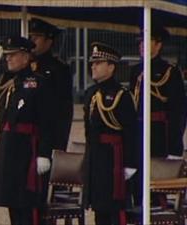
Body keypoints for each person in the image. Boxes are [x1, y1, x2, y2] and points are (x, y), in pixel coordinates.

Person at [0, 36, 56, 225]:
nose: (7, 59)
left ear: (26, 57)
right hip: (8, 146)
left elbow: (48, 121)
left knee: (27, 206)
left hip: (27, 149)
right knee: (12, 204)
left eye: (13, 55)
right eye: (6, 55)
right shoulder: (6, 80)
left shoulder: (38, 83)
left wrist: (44, 153)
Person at [129, 24, 187, 207]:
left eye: (146, 41)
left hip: (160, 135)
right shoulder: (136, 70)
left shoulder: (169, 72)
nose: (141, 45)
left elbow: (178, 111)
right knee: (137, 186)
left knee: (157, 190)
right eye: (140, 42)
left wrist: (175, 148)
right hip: (138, 133)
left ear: (158, 45)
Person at [82, 42, 137, 225]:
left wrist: (130, 163)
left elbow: (131, 131)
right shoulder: (91, 92)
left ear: (111, 66)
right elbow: (88, 130)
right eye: (92, 63)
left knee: (114, 209)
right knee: (99, 207)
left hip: (114, 158)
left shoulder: (122, 95)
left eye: (98, 63)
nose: (93, 66)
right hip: (96, 156)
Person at [29, 18, 73, 152]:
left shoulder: (58, 70)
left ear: (49, 40)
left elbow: (62, 112)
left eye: (37, 37)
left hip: (46, 138)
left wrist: (57, 146)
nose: (32, 41)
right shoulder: (24, 66)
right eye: (31, 36)